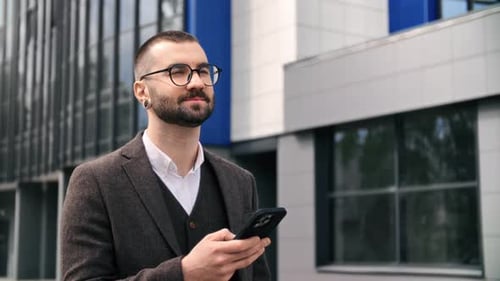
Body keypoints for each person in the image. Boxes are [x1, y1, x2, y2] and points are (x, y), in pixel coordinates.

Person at [61, 30, 272, 281]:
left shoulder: (240, 181)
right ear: (142, 92)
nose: (196, 82)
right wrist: (183, 274)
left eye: (203, 71)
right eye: (178, 72)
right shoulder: (96, 181)